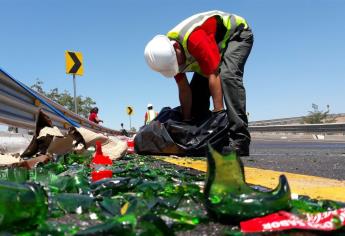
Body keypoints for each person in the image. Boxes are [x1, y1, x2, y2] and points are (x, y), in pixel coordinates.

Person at [144, 10, 253, 156]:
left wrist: (219, 115)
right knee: (197, 100)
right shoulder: (169, 58)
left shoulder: (195, 39)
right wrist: (187, 120)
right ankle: (208, 136)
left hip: (236, 35)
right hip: (211, 51)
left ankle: (240, 139)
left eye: (177, 64)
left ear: (176, 48)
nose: (178, 68)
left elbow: (214, 74)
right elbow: (184, 89)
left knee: (228, 77)